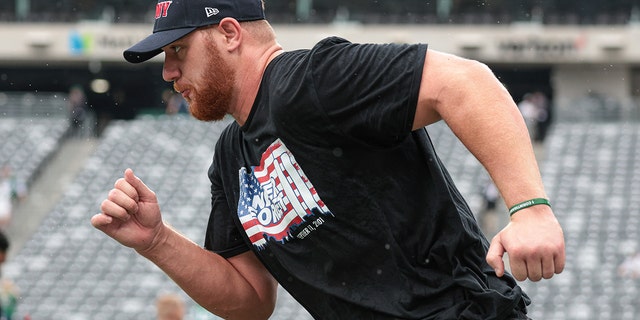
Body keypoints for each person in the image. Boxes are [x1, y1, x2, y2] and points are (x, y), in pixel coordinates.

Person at [91, 0, 566, 319]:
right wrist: (156, 241)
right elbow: (252, 300)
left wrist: (531, 210)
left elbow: (465, 82)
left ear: (231, 33)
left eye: (178, 49)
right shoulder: (231, 157)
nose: (169, 72)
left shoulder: (312, 80)